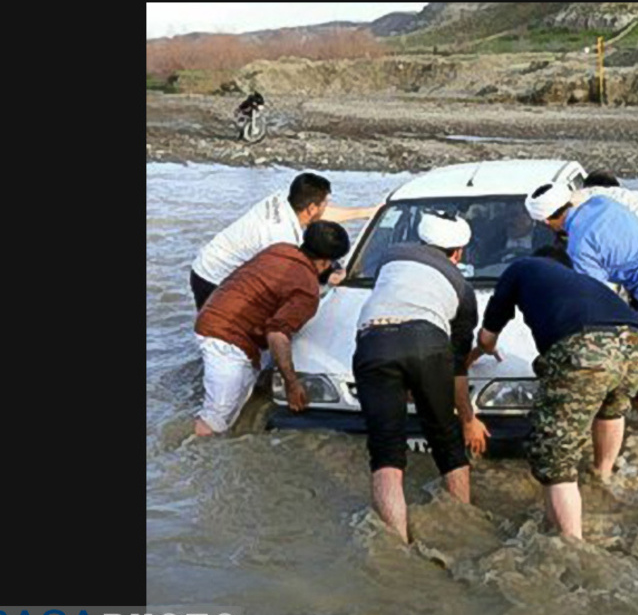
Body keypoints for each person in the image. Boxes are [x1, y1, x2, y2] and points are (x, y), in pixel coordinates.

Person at [467, 247, 638, 539]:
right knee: (611, 408)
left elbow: (487, 338)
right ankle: (602, 476)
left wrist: (475, 355)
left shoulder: (518, 269)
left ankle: (571, 544)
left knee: (555, 456)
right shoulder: (582, 282)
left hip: (586, 350)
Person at [526, 183, 638, 444]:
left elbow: (596, 300)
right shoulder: (602, 203)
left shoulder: (580, 246)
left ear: (546, 221)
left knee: (636, 379)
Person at [352, 210, 489, 543]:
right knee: (445, 437)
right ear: (459, 253)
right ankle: (462, 526)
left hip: (373, 341)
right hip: (429, 342)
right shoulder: (463, 290)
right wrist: (468, 418)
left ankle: (397, 544)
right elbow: (457, 369)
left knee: (385, 451)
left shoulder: (391, 254)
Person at [192, 221, 351, 437]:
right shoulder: (306, 291)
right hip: (225, 338)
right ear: (326, 262)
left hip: (212, 314)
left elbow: (283, 283)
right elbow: (277, 334)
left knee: (236, 408)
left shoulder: (280, 249)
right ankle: (193, 459)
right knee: (215, 419)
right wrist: (292, 384)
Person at [189, 172, 378, 309]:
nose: (326, 207)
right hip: (214, 277)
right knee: (221, 333)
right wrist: (328, 277)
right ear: (312, 208)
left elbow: (318, 215)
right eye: (325, 203)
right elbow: (289, 279)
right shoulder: (282, 237)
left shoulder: (282, 199)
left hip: (207, 261)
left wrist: (365, 213)